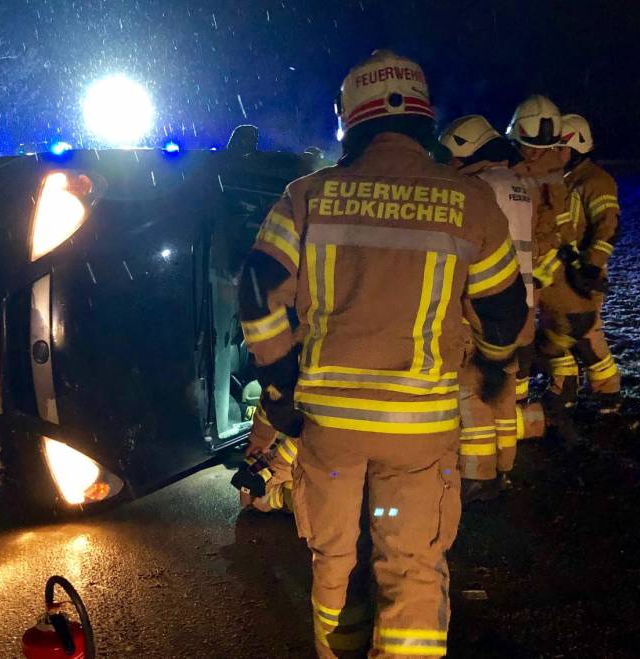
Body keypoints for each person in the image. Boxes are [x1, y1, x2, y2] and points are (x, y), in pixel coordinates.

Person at [238, 49, 527, 658]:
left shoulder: (307, 195)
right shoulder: (469, 202)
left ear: (350, 120)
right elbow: (503, 310)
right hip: (418, 430)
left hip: (331, 429)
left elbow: (258, 288)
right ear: (424, 120)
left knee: (335, 559)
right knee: (414, 567)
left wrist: (279, 383)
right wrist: (496, 364)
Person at [439, 115, 537, 499]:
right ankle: (505, 467)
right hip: (522, 306)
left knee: (472, 390)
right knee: (503, 389)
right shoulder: (519, 185)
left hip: (482, 307)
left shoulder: (476, 188)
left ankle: (479, 477)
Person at [507, 94, 583, 443]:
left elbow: (551, 231)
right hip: (537, 269)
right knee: (533, 332)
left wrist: (535, 271)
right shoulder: (553, 173)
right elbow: (560, 232)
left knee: (518, 337)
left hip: (523, 271)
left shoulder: (526, 172)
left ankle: (521, 403)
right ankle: (558, 394)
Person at [554, 113, 622, 412]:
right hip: (564, 271)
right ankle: (564, 390)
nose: (553, 153)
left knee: (586, 332)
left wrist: (592, 266)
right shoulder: (568, 179)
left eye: (558, 146)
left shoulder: (595, 180)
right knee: (559, 331)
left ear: (576, 144)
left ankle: (608, 392)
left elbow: (608, 225)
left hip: (583, 273)